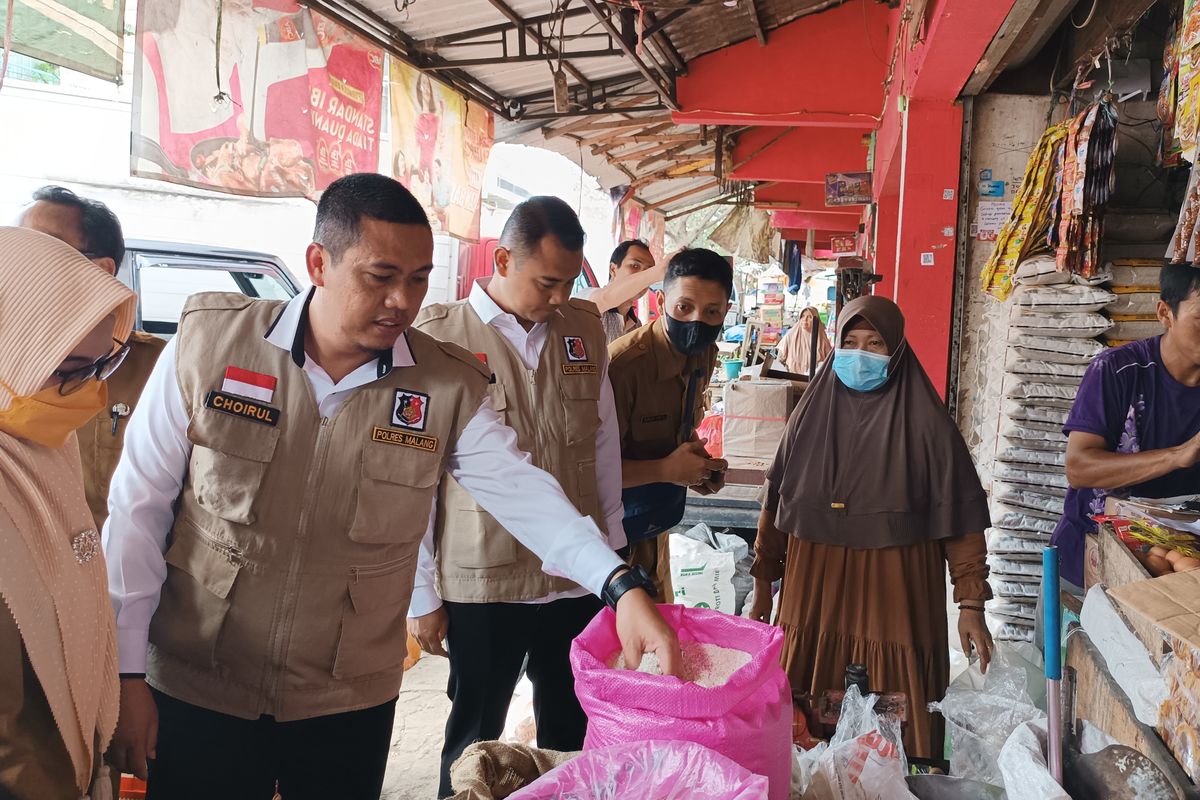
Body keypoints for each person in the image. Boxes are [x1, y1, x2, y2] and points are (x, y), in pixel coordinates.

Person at [102, 174, 677, 800]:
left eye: (419, 279)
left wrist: (618, 583)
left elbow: (521, 488)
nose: (402, 301)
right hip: (201, 682)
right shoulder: (208, 347)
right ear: (318, 264)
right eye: (381, 276)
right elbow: (137, 513)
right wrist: (127, 672)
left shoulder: (442, 384)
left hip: (346, 697)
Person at [411, 196, 624, 798]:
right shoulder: (438, 338)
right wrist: (421, 592)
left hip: (574, 580)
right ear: (503, 260)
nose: (559, 298)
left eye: (569, 283)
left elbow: (603, 444)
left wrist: (611, 556)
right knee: (473, 734)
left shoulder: (584, 330)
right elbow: (416, 478)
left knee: (572, 731)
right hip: (483, 580)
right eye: (547, 283)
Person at [749, 295, 993, 759]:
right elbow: (776, 504)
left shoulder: (928, 425)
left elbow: (960, 519)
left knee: (895, 717)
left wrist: (971, 603)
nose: (860, 354)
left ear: (896, 350)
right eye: (851, 342)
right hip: (816, 592)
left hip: (896, 592)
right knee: (808, 716)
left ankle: (895, 778)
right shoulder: (809, 417)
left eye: (875, 343)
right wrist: (763, 583)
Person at [0, 227, 137, 799]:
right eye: (69, 369)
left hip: (62, 764)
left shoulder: (42, 439)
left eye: (100, 366)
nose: (88, 393)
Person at [17, 186, 167, 530]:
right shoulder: (9, 361)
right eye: (16, 244)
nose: (18, 260)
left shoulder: (157, 371)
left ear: (100, 269)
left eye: (40, 246)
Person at [1054, 263, 1200, 587]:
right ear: (1165, 313)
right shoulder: (1118, 371)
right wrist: (1178, 455)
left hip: (1174, 571)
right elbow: (1079, 468)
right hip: (1090, 563)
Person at [608, 248, 732, 601]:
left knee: (660, 611)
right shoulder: (623, 368)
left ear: (726, 311)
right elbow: (590, 472)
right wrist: (667, 469)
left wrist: (697, 465)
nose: (696, 322)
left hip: (657, 523)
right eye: (684, 307)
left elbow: (679, 426)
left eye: (711, 312)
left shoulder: (704, 353)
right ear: (661, 300)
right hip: (614, 540)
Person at [576, 239, 664, 343]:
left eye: (648, 271)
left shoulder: (636, 325)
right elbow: (604, 298)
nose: (642, 276)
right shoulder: (587, 297)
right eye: (635, 266)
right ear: (613, 269)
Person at [775, 306, 832, 376]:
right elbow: (780, 361)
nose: (805, 319)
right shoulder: (790, 337)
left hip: (814, 380)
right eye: (803, 316)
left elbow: (829, 364)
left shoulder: (822, 340)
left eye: (809, 317)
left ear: (816, 321)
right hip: (793, 379)